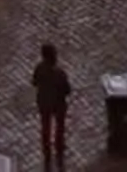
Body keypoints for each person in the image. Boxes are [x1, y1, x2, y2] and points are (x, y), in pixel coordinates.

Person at [32, 43, 73, 171]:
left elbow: (34, 82)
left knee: (46, 126)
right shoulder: (59, 73)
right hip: (58, 104)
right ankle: (59, 148)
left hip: (44, 103)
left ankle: (47, 150)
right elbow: (67, 89)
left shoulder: (39, 68)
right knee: (59, 127)